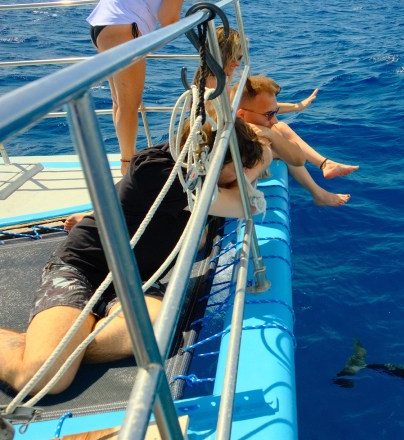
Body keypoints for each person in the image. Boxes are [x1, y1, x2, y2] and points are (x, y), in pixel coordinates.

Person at [0, 120, 270, 395]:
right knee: (45, 378)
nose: (242, 174)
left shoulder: (197, 176)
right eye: (239, 166)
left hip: (137, 278)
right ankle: (47, 352)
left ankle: (52, 346)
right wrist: (258, 164)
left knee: (153, 331)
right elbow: (244, 205)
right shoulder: (162, 173)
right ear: (210, 161)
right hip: (83, 268)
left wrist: (259, 154)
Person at [201, 28, 359, 206]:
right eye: (236, 57)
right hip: (225, 147)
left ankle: (324, 168)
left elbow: (250, 108)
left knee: (280, 129)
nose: (238, 64)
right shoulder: (212, 86)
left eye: (240, 58)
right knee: (280, 142)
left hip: (231, 135)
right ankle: (320, 185)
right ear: (223, 54)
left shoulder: (218, 79)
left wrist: (296, 106)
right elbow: (221, 121)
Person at [87, 0, 217, 175]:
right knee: (130, 104)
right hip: (123, 31)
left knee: (120, 102)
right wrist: (197, 18)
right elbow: (169, 21)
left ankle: (127, 155)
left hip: (103, 29)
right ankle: (128, 165)